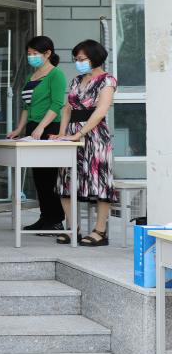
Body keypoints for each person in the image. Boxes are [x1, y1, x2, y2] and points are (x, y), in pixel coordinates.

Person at [52, 39, 117, 246]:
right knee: (65, 180)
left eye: (82, 59)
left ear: (94, 58)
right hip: (72, 134)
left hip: (95, 136)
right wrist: (62, 134)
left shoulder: (107, 80)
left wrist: (79, 133)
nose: (78, 62)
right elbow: (67, 109)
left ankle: (100, 231)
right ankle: (73, 228)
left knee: (99, 181)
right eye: (76, 59)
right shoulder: (75, 80)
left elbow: (100, 111)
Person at [6, 36, 67, 236]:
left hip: (49, 127)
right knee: (39, 177)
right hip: (33, 128)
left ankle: (56, 220)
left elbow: (57, 104)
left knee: (49, 177)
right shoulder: (31, 76)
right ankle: (45, 217)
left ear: (47, 53)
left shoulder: (56, 74)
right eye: (29, 53)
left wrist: (41, 127)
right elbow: (27, 107)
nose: (31, 57)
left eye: (35, 53)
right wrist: (19, 129)